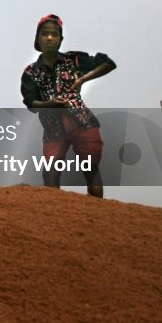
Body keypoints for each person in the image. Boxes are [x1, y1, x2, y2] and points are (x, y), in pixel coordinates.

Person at [21, 14, 116, 198]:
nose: (50, 38)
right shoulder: (31, 73)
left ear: (60, 39)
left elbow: (108, 63)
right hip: (53, 128)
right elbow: (31, 103)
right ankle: (55, 218)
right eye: (45, 34)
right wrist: (49, 103)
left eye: (54, 34)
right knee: (50, 174)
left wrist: (83, 78)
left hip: (82, 122)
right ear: (38, 38)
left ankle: (97, 216)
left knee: (90, 170)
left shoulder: (74, 60)